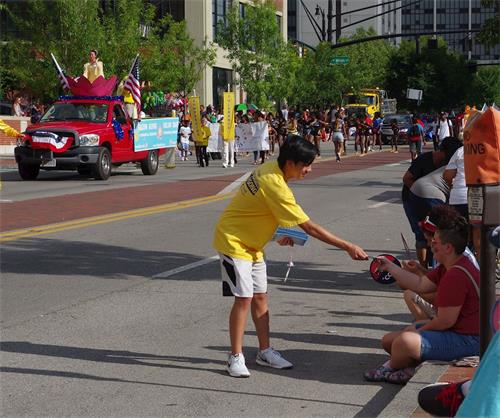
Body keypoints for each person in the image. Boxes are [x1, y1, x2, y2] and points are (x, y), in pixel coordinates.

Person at [213, 135, 368, 378]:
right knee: (244, 298)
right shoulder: (274, 183)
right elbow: (310, 227)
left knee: (261, 297)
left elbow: (256, 210)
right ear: (291, 163)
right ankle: (235, 357)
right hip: (233, 242)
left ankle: (265, 351)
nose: (309, 169)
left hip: (253, 245)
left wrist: (275, 235)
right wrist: (347, 246)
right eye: (306, 164)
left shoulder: (270, 168)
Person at [364, 215, 480, 385]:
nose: (431, 245)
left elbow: (444, 322)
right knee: (389, 341)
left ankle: (390, 367)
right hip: (456, 333)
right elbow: (419, 284)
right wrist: (390, 266)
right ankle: (411, 366)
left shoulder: (456, 274)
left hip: (469, 341)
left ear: (448, 247)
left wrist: (419, 331)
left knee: (404, 342)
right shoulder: (449, 265)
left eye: (436, 242)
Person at [401, 205, 479, 321]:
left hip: (461, 319)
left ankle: (428, 329)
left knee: (410, 296)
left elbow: (437, 297)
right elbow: (438, 281)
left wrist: (412, 283)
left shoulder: (455, 263)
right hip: (458, 313)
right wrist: (419, 270)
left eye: (430, 240)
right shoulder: (453, 253)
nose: (429, 245)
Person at [401, 137, 462, 266]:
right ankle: (429, 270)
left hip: (420, 195)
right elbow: (407, 178)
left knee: (426, 232)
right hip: (413, 197)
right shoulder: (424, 159)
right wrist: (421, 195)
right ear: (443, 151)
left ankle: (425, 271)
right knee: (434, 232)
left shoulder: (448, 163)